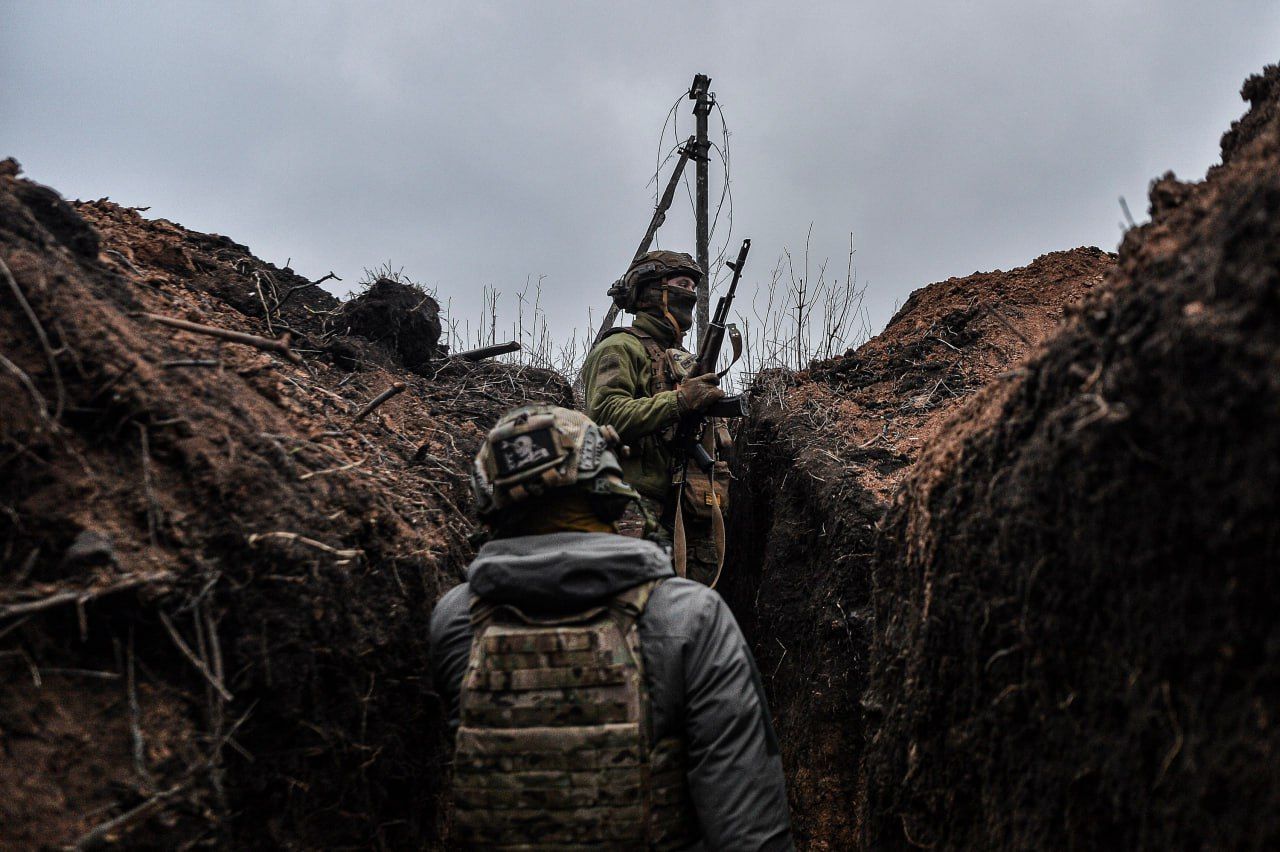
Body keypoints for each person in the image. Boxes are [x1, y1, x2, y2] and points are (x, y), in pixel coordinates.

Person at [430, 404, 793, 850]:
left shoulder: (455, 620)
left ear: (491, 500)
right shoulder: (689, 617)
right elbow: (749, 829)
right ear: (605, 485)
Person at [581, 250, 731, 586]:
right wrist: (679, 401)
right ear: (652, 291)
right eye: (681, 284)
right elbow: (605, 414)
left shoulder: (685, 362)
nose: (690, 294)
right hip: (632, 510)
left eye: (693, 287)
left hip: (687, 508)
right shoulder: (619, 348)